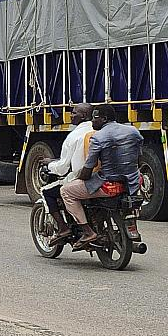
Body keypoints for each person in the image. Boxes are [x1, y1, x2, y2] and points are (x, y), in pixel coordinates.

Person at [60, 104, 143, 246]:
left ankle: (87, 232)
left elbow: (88, 168)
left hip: (109, 183)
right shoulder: (133, 131)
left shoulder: (97, 137)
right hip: (133, 182)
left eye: (95, 117)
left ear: (104, 119)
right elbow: (139, 158)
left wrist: (77, 177)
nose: (92, 121)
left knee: (66, 191)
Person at [39, 103, 94, 245]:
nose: (71, 115)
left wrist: (50, 165)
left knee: (46, 191)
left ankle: (63, 228)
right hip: (99, 177)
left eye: (74, 113)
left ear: (83, 116)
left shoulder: (74, 136)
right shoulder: (98, 131)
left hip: (80, 178)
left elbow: (63, 168)